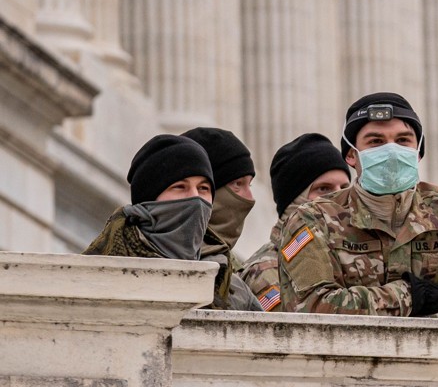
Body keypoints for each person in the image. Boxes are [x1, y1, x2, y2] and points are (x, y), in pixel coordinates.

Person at [277, 92, 438, 319]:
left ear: (418, 152)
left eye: (402, 140)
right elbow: (312, 308)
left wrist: (421, 335)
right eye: (376, 141)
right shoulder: (315, 220)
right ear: (351, 155)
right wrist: (409, 295)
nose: (391, 151)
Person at [239, 133, 351, 312]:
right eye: (324, 189)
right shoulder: (264, 271)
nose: (339, 198)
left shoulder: (347, 255)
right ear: (294, 200)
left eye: (345, 188)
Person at [83, 134, 215, 263]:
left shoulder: (220, 275)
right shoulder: (98, 268)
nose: (195, 197)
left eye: (203, 188)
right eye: (180, 187)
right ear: (149, 200)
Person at [181, 127, 262, 311]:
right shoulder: (158, 255)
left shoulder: (237, 274)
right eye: (237, 184)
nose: (250, 198)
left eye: (250, 185)